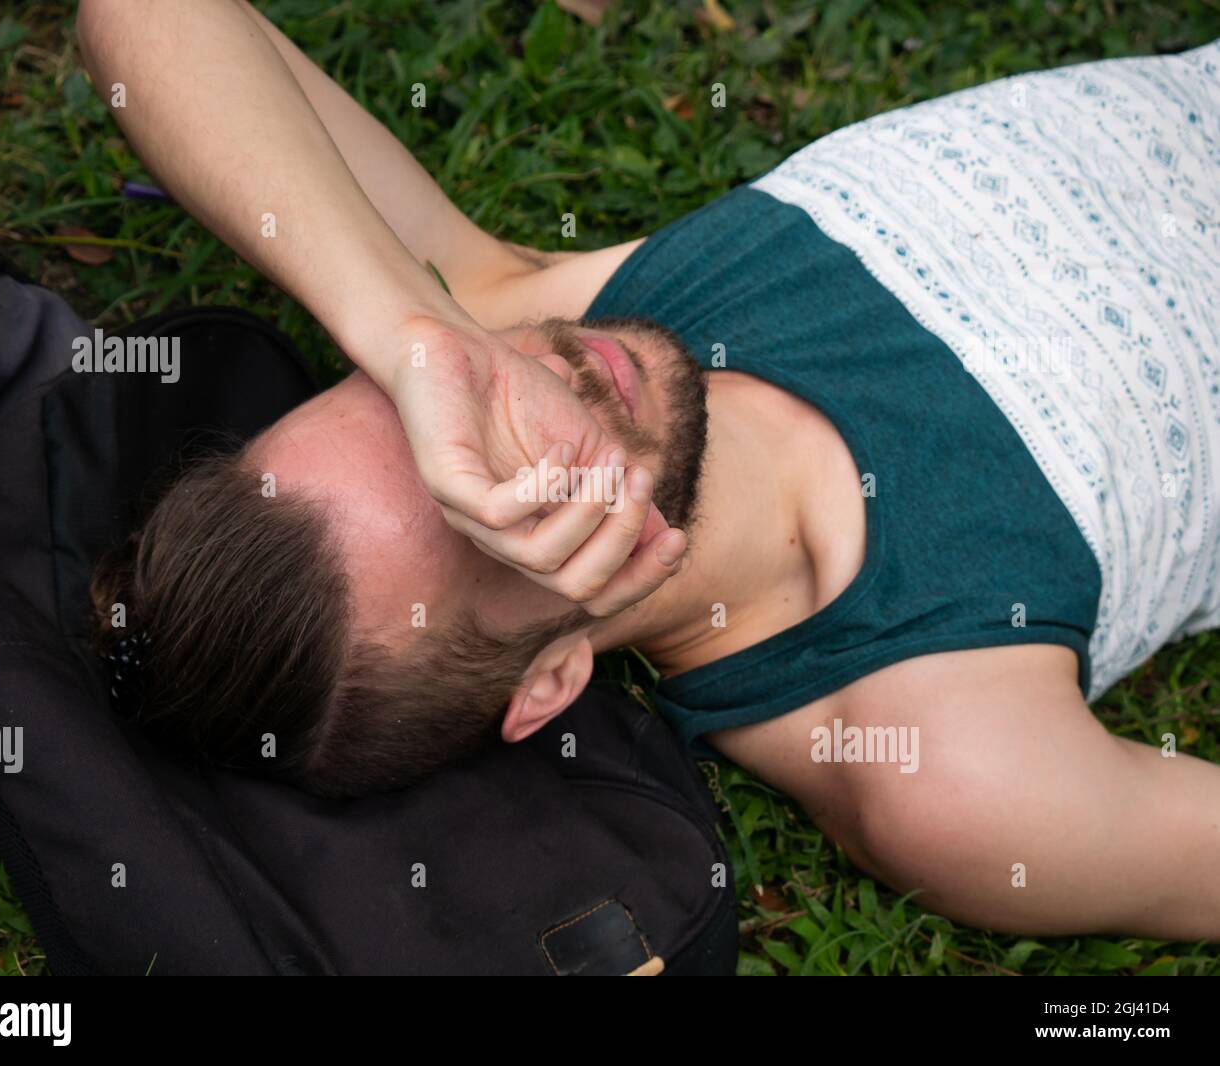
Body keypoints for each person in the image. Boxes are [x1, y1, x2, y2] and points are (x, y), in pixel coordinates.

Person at [77, 1, 1220, 939]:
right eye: (495, 495)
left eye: (410, 403)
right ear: (549, 680)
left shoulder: (511, 317)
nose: (539, 390)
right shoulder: (940, 760)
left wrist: (417, 332)